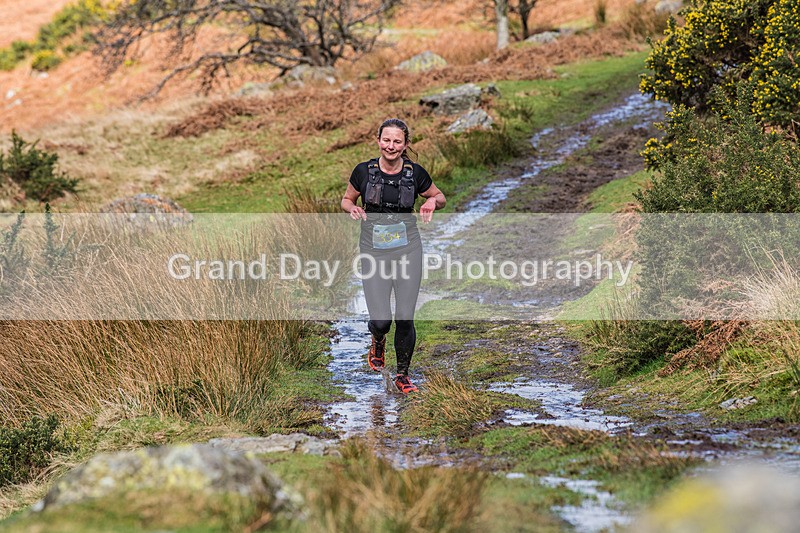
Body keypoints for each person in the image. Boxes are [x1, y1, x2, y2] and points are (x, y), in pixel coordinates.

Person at [341, 118, 446, 394]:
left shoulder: (415, 173)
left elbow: (440, 196)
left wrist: (432, 202)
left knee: (405, 316)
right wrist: (351, 208)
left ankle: (403, 376)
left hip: (407, 249)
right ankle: (377, 338)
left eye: (397, 141)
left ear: (405, 145)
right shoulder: (363, 171)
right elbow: (346, 199)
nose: (391, 146)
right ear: (378, 141)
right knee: (382, 321)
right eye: (386, 140)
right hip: (373, 251)